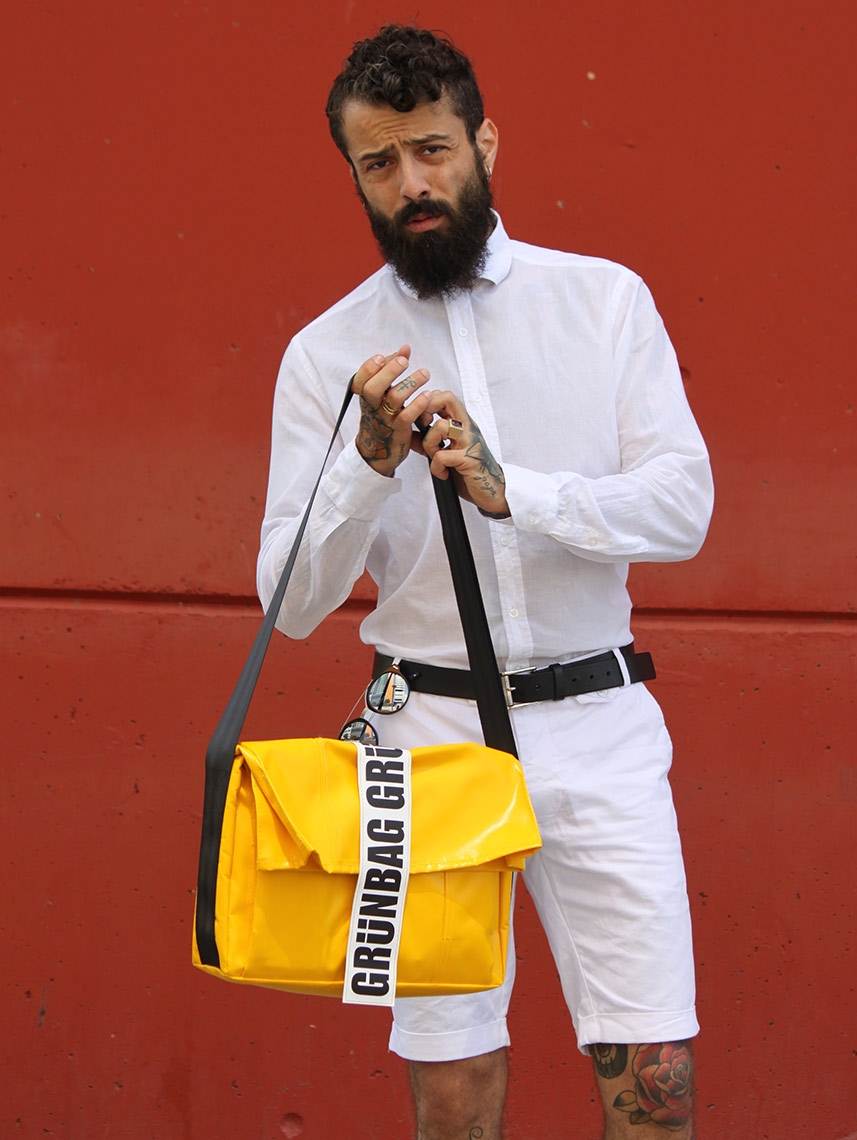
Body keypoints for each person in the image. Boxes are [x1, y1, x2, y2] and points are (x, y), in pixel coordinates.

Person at [257, 24, 713, 1140]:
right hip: (426, 736)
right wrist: (364, 465)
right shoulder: (325, 354)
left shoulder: (602, 301)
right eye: (378, 162)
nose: (410, 184)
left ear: (484, 142)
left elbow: (682, 507)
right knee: (451, 1086)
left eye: (431, 149)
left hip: (599, 723)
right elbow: (289, 604)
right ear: (353, 174)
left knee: (654, 1081)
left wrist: (521, 493)